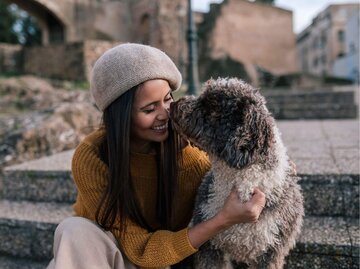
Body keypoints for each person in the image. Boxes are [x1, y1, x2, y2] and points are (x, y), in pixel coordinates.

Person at [46, 43, 266, 269]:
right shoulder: (93, 156)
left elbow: (241, 170)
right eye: (149, 109)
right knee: (74, 231)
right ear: (121, 117)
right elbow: (138, 248)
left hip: (165, 260)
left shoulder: (192, 157)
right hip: (103, 257)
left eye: (168, 99)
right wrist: (222, 220)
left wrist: (273, 169)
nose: (165, 114)